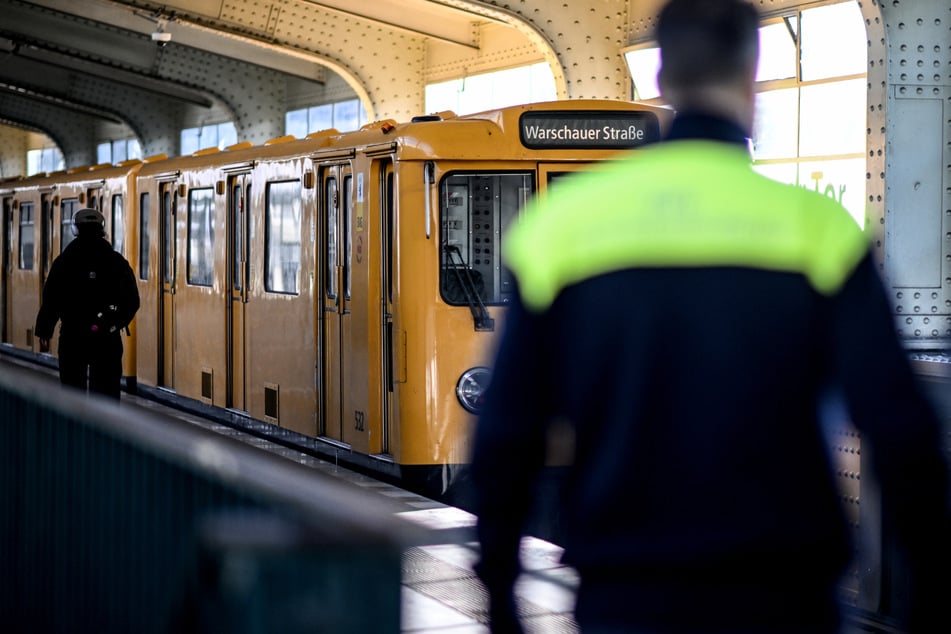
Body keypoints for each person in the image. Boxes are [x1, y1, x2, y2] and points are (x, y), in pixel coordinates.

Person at [469, 1, 951, 633]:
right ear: (751, 77)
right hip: (784, 600)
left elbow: (508, 435)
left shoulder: (560, 230)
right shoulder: (818, 232)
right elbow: (900, 431)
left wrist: (501, 601)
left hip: (625, 598)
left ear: (664, 82)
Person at [35, 207, 140, 400]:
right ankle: (104, 429)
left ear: (76, 229)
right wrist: (115, 323)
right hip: (107, 338)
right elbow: (132, 300)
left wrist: (44, 330)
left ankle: (75, 428)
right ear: (101, 228)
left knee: (72, 392)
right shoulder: (116, 261)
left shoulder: (65, 261)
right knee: (106, 393)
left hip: (73, 336)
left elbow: (52, 298)